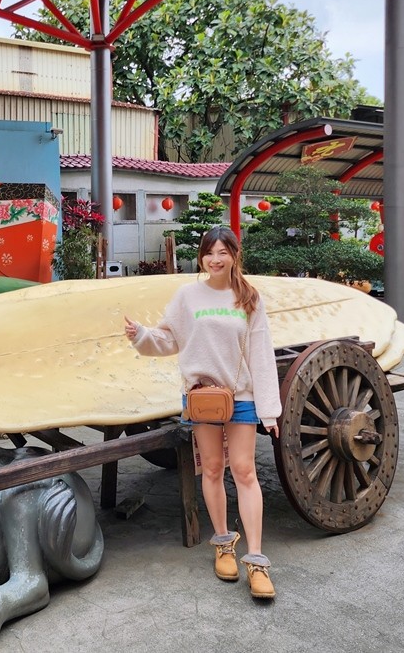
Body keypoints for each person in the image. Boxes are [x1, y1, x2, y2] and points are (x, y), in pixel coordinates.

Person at [123, 226, 281, 600]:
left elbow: (261, 353)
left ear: (234, 256)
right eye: (209, 252)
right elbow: (168, 339)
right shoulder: (187, 296)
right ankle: (224, 544)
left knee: (244, 470)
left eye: (223, 252)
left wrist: (269, 409)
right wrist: (141, 335)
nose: (215, 259)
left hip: (240, 397)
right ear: (202, 257)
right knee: (211, 468)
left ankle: (257, 561)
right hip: (200, 396)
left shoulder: (248, 298)